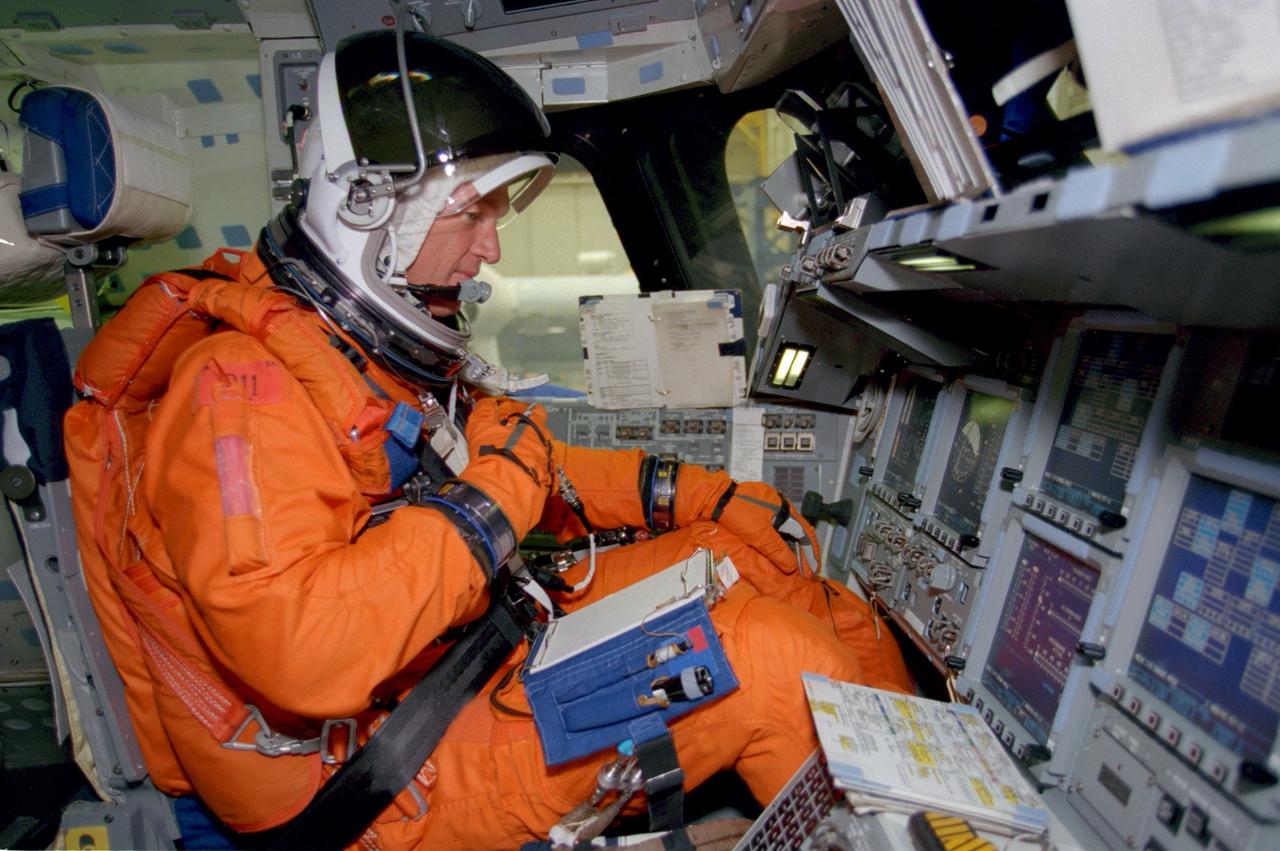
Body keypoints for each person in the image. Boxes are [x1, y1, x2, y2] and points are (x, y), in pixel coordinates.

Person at [62, 28, 911, 850]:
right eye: (472, 215)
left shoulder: (348, 349)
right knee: (765, 663)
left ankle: (950, 801)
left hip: (462, 650)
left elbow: (524, 454)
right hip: (374, 776)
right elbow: (307, 652)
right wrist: (497, 491)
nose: (492, 247)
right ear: (370, 208)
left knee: (767, 557)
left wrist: (697, 492)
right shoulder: (235, 393)